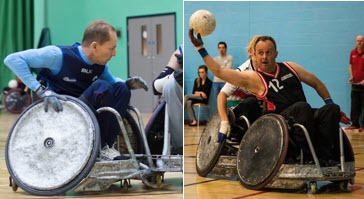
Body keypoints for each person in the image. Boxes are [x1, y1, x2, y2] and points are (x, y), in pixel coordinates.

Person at [189, 31, 350, 166]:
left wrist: (329, 102)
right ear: (255, 55)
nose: (265, 56)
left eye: (268, 52)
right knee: (302, 107)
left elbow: (316, 83)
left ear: (276, 53)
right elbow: (219, 72)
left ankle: (326, 157)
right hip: (279, 123)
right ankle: (307, 157)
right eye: (261, 53)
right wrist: (200, 48)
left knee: (331, 110)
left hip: (302, 115)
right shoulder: (253, 77)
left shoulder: (291, 67)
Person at [4, 20, 148, 161]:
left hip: (81, 110)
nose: (114, 53)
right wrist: (41, 90)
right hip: (57, 110)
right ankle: (97, 147)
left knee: (122, 88)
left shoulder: (100, 66)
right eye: (111, 48)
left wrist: (128, 83)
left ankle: (105, 148)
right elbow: (12, 59)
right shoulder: (57, 55)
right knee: (102, 87)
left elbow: (114, 82)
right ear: (95, 46)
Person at [217, 35, 262, 143]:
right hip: (249, 107)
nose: (263, 56)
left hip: (266, 106)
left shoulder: (271, 67)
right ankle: (238, 134)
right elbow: (222, 95)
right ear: (250, 51)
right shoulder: (241, 71)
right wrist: (224, 122)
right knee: (251, 101)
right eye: (259, 52)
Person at [152, 44, 183, 154]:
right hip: (178, 100)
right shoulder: (181, 50)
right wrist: (173, 76)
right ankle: (179, 147)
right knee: (170, 84)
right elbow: (155, 86)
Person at [346, 35, 364, 131]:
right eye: (357, 41)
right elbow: (351, 66)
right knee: (354, 105)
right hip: (355, 84)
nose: (359, 42)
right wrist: (351, 76)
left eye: (361, 41)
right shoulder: (353, 52)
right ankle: (355, 124)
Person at [211, 41, 233, 112]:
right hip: (216, 82)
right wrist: (223, 68)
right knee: (216, 101)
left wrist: (220, 69)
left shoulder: (229, 58)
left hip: (225, 82)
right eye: (220, 48)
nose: (221, 49)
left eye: (223, 48)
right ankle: (216, 119)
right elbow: (215, 70)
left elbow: (227, 70)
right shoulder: (215, 59)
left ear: (226, 48)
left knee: (224, 101)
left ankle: (225, 117)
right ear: (218, 49)